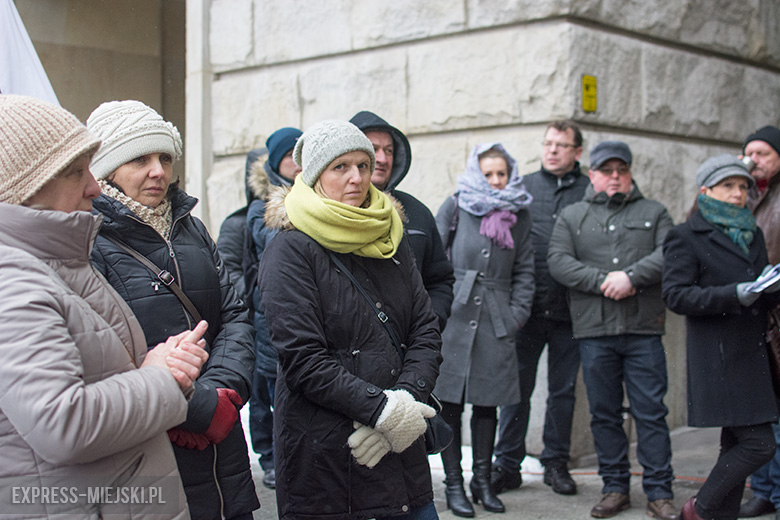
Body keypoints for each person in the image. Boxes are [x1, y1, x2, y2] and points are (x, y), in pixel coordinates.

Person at [0, 94, 209, 518]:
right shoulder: (14, 282)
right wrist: (161, 376)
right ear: (26, 188)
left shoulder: (60, 259)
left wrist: (157, 365)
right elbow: (63, 423)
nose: (94, 186)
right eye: (77, 172)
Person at [258, 120, 442, 520]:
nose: (356, 178)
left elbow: (424, 329)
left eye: (363, 164)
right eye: (340, 167)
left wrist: (407, 401)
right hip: (327, 452)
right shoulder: (289, 249)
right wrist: (381, 411)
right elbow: (303, 359)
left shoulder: (391, 235)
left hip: (401, 442)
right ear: (314, 175)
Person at [86, 100, 260, 520]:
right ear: (108, 169)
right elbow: (102, 354)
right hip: (150, 446)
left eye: (164, 157)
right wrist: (192, 408)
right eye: (139, 159)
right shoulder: (91, 240)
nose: (158, 171)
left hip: (223, 449)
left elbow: (234, 316)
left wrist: (222, 395)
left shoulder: (192, 228)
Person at [548, 141, 678, 520]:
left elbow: (669, 253)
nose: (615, 177)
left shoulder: (655, 212)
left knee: (651, 413)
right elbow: (558, 261)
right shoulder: (573, 216)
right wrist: (605, 280)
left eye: (621, 170)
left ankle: (659, 492)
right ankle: (615, 487)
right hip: (595, 332)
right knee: (604, 414)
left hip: (643, 329)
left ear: (630, 173)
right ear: (593, 175)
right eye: (607, 170)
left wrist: (632, 277)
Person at [662, 154, 779, 520]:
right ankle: (699, 509)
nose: (737, 194)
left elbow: (759, 288)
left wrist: (770, 286)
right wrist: (734, 294)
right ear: (706, 190)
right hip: (719, 356)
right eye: (728, 186)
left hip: (752, 350)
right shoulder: (684, 236)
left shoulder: (752, 231)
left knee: (735, 443)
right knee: (760, 445)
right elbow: (676, 295)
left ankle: (716, 515)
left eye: (743, 187)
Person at [434, 143, 535, 517]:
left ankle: (482, 481)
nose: (495, 181)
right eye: (488, 173)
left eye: (501, 174)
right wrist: (438, 311)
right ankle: (454, 485)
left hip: (497, 319)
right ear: (477, 173)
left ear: (511, 175)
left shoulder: (520, 214)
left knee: (487, 404)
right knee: (449, 405)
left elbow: (525, 269)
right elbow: (433, 259)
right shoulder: (456, 205)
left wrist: (516, 315)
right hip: (454, 317)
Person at [493, 120, 589, 496]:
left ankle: (556, 464)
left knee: (563, 392)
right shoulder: (524, 187)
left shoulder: (590, 189)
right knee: (515, 389)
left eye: (561, 145)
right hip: (526, 310)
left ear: (577, 152)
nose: (552, 150)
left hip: (573, 310)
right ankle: (507, 464)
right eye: (548, 143)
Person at [349, 110, 455, 330]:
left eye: (388, 150)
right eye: (373, 149)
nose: (383, 158)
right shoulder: (327, 214)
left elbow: (440, 281)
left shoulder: (417, 212)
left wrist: (429, 326)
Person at [245, 127, 302, 489]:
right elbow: (273, 240)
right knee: (266, 395)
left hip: (303, 320)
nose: (297, 166)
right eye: (290, 159)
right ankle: (269, 457)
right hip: (268, 321)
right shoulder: (261, 208)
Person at [739, 126, 780, 520]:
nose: (753, 160)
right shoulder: (737, 193)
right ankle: (765, 490)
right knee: (761, 413)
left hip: (777, 315)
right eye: (748, 152)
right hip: (749, 317)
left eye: (763, 153)